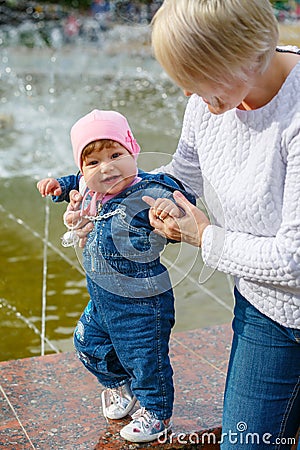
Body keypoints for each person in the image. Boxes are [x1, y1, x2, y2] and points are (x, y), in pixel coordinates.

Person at [143, 1, 300, 449]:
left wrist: (203, 236)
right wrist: (112, 192)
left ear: (247, 54)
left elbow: (294, 259)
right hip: (266, 311)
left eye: (198, 78)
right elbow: (181, 176)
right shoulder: (207, 102)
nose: (189, 96)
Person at [37, 109, 196, 443]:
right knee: (87, 343)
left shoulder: (148, 189)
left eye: (115, 155)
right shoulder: (90, 189)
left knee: (145, 359)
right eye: (92, 163)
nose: (106, 167)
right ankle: (117, 386)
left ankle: (156, 413)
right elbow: (72, 182)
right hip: (103, 298)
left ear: (132, 150)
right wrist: (57, 186)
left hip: (142, 303)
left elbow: (180, 199)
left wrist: (170, 211)